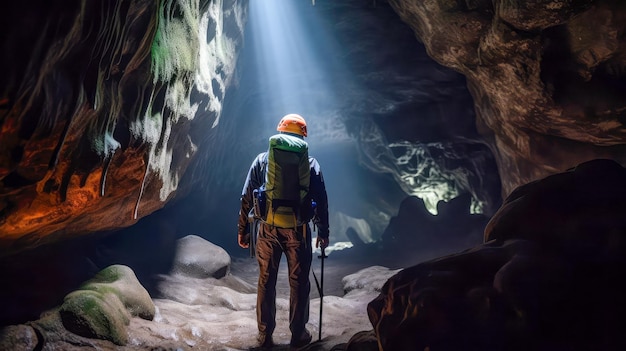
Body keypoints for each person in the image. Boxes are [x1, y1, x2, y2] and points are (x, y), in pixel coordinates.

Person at [237, 113, 330, 349]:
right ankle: (298, 335)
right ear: (302, 135)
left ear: (280, 131)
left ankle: (264, 335)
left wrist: (244, 230)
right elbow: (321, 198)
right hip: (298, 230)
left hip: (267, 229)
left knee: (266, 280)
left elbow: (247, 196)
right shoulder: (310, 163)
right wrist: (323, 231)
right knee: (299, 282)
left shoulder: (262, 159)